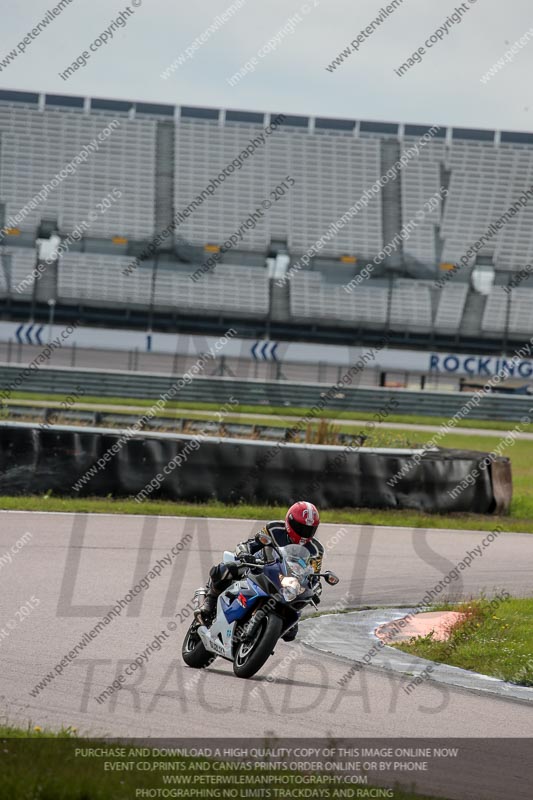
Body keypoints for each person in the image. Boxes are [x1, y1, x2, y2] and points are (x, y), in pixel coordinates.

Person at [197, 501, 323, 641]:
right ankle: (209, 600)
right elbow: (250, 544)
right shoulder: (274, 529)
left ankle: (262, 638)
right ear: (290, 521)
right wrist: (245, 554)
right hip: (258, 566)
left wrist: (316, 589)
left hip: (287, 585)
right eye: (300, 527)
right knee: (225, 569)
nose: (304, 533)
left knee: (290, 632)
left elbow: (313, 576)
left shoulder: (316, 550)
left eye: (309, 530)